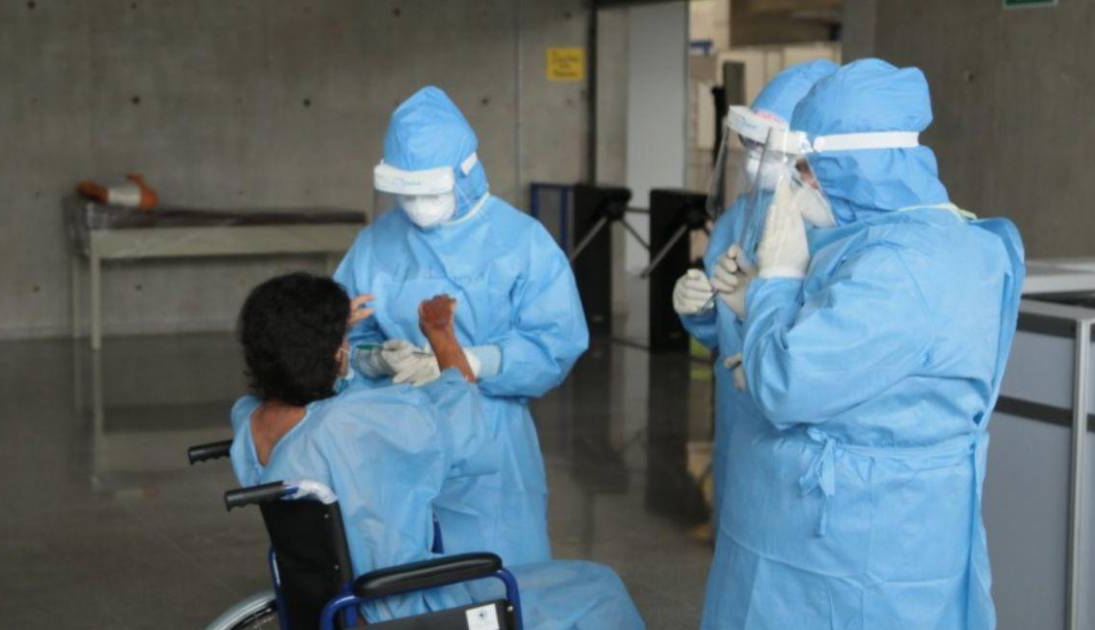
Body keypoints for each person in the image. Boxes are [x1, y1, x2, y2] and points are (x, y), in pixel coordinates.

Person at [700, 58, 1025, 629]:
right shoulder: (899, 241)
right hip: (839, 524)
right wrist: (757, 303)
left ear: (852, 167)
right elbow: (863, 363)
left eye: (804, 168)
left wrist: (777, 283)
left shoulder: (903, 268)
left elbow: (786, 384)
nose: (795, 184)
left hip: (857, 542)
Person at [229, 272, 642, 628]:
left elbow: (303, 396)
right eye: (344, 342)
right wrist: (440, 334)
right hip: (405, 607)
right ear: (335, 352)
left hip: (335, 609)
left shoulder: (251, 423)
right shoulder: (352, 425)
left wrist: (328, 339)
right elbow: (460, 408)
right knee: (599, 585)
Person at [333, 86, 588, 567]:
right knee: (402, 572)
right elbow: (343, 337)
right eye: (406, 193)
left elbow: (555, 344)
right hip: (398, 435)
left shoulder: (520, 242)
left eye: (429, 192)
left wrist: (466, 361)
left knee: (496, 572)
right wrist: (376, 360)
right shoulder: (375, 244)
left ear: (466, 174)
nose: (417, 205)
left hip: (489, 441)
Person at [672, 60, 837, 527]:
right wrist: (702, 309)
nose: (754, 161)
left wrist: (765, 315)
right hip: (739, 421)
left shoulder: (837, 227)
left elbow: (838, 350)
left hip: (803, 441)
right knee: (739, 537)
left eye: (770, 149)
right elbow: (721, 333)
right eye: (750, 146)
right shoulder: (738, 219)